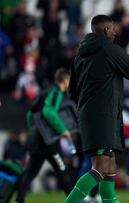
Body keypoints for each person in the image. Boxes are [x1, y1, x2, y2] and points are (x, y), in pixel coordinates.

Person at [64, 14, 129, 203]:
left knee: (109, 168)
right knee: (100, 168)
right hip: (103, 117)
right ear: (107, 30)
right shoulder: (109, 49)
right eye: (113, 28)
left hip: (89, 116)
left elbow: (71, 92)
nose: (115, 32)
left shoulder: (79, 55)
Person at [15, 68, 73, 203]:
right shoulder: (55, 92)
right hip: (48, 142)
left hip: (36, 140)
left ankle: (19, 200)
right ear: (65, 81)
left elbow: (31, 113)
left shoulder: (44, 91)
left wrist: (33, 130)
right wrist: (62, 130)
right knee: (62, 170)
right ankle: (73, 200)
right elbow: (49, 112)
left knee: (29, 173)